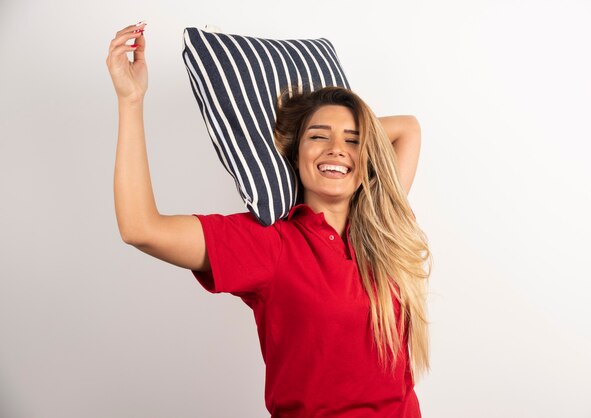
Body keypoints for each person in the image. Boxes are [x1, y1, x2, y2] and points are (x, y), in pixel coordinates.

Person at [107, 21, 432, 418]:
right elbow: (141, 228)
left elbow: (408, 129)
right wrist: (131, 100)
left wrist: (345, 142)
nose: (336, 149)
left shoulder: (384, 226)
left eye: (353, 139)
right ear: (294, 154)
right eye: (318, 137)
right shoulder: (271, 244)